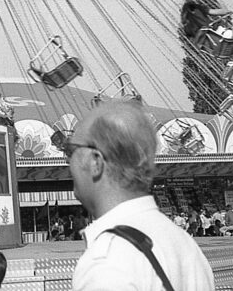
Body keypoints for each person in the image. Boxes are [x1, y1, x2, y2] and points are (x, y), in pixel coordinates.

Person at [69, 98, 214, 290]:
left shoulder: (109, 263)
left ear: (96, 162)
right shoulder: (185, 244)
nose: (68, 161)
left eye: (70, 150)